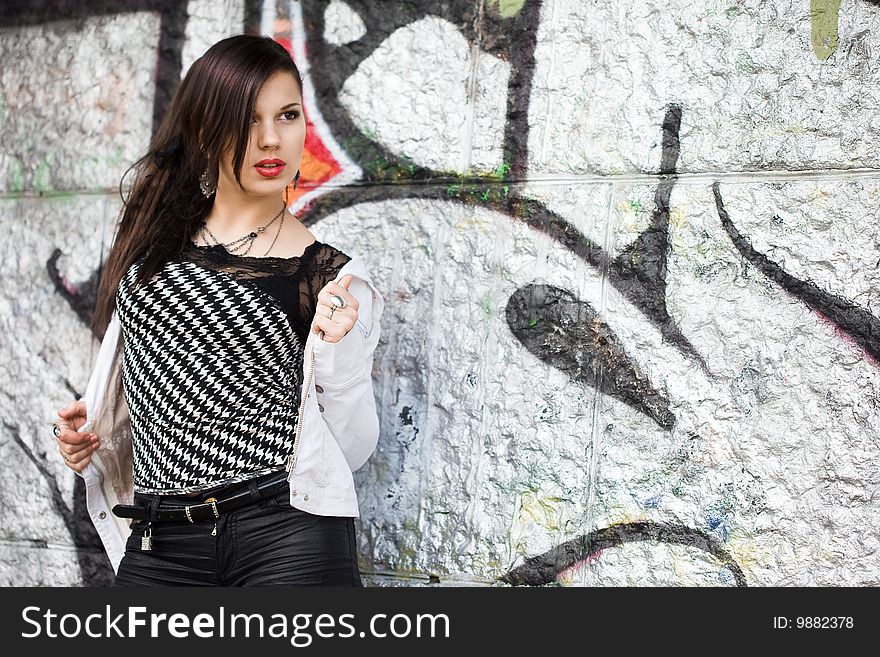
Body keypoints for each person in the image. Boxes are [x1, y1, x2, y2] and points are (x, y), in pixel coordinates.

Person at [50, 34, 384, 586]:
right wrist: (89, 432)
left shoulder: (332, 278)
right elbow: (156, 392)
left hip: (287, 541)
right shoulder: (151, 251)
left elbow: (350, 450)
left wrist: (338, 359)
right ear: (206, 129)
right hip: (159, 543)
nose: (271, 139)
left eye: (288, 115)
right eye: (247, 119)